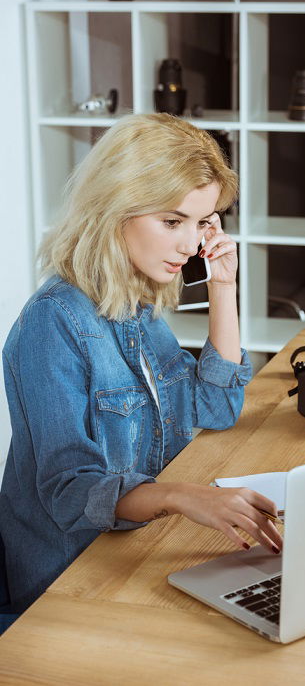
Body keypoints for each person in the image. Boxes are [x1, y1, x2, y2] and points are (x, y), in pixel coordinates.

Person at [0, 113, 283, 614]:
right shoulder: (53, 323)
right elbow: (71, 492)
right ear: (115, 207)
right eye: (173, 221)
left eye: (202, 223)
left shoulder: (137, 304)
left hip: (141, 552)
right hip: (67, 584)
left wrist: (223, 286)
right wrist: (178, 496)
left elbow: (216, 407)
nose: (191, 245)